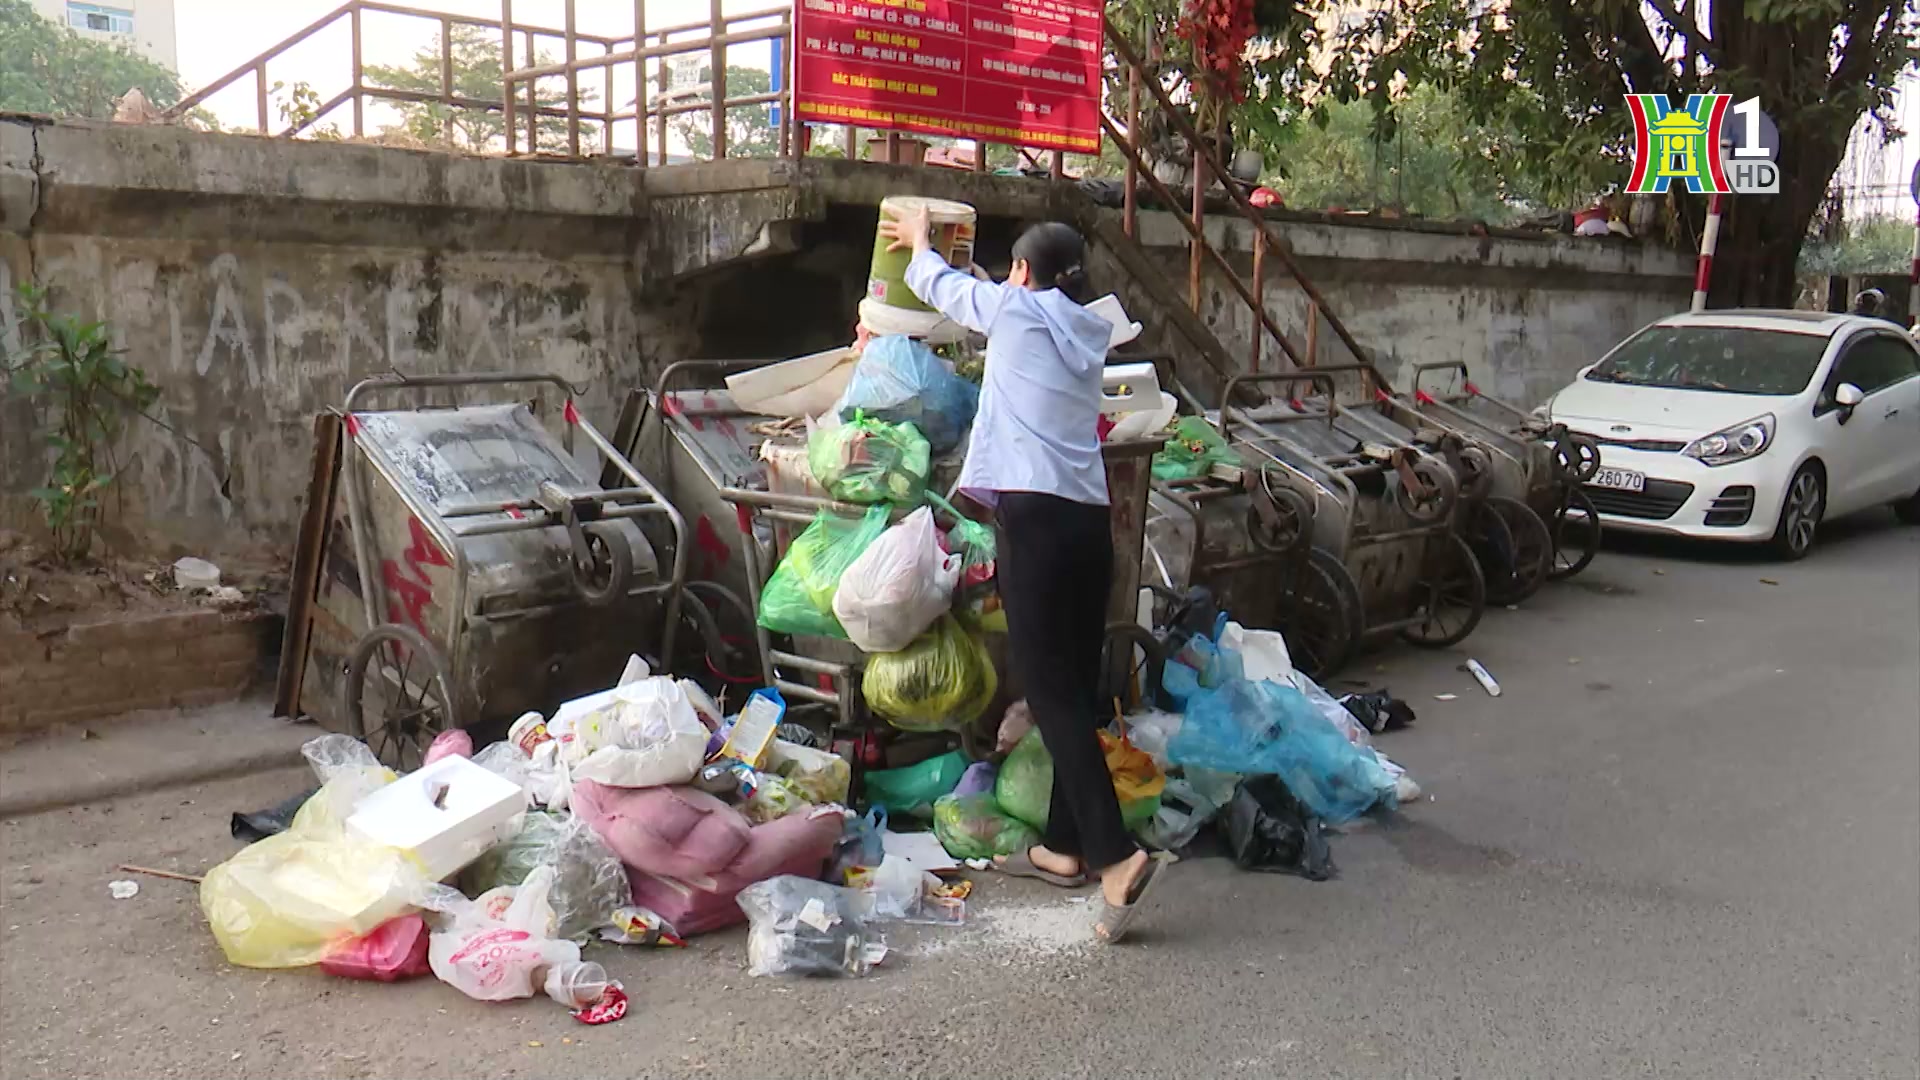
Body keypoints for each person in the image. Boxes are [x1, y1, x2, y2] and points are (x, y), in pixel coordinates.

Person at [877, 205, 1167, 943]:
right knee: (1072, 686)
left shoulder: (1013, 312)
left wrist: (918, 246)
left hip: (1035, 523)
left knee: (1048, 692)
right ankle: (1065, 848)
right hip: (1088, 524)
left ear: (1022, 273)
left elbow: (945, 292)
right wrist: (987, 279)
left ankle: (1114, 856)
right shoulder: (1085, 328)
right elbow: (1002, 302)